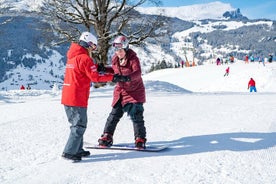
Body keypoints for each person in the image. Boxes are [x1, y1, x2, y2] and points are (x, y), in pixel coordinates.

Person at [61, 32, 114, 161]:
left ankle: (77, 149)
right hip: (77, 97)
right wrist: (114, 77)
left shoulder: (73, 56)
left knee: (76, 124)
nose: (94, 50)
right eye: (94, 47)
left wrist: (97, 67)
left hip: (68, 96)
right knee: (79, 125)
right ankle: (69, 152)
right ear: (89, 44)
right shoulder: (85, 58)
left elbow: (84, 69)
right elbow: (95, 78)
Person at [98, 35, 147, 149]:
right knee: (114, 114)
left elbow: (138, 72)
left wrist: (127, 78)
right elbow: (114, 70)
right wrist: (104, 69)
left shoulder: (133, 59)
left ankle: (140, 139)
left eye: (120, 50)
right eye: (116, 50)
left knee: (136, 116)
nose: (118, 52)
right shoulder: (116, 59)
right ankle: (107, 136)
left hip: (135, 92)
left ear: (125, 48)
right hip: (121, 91)